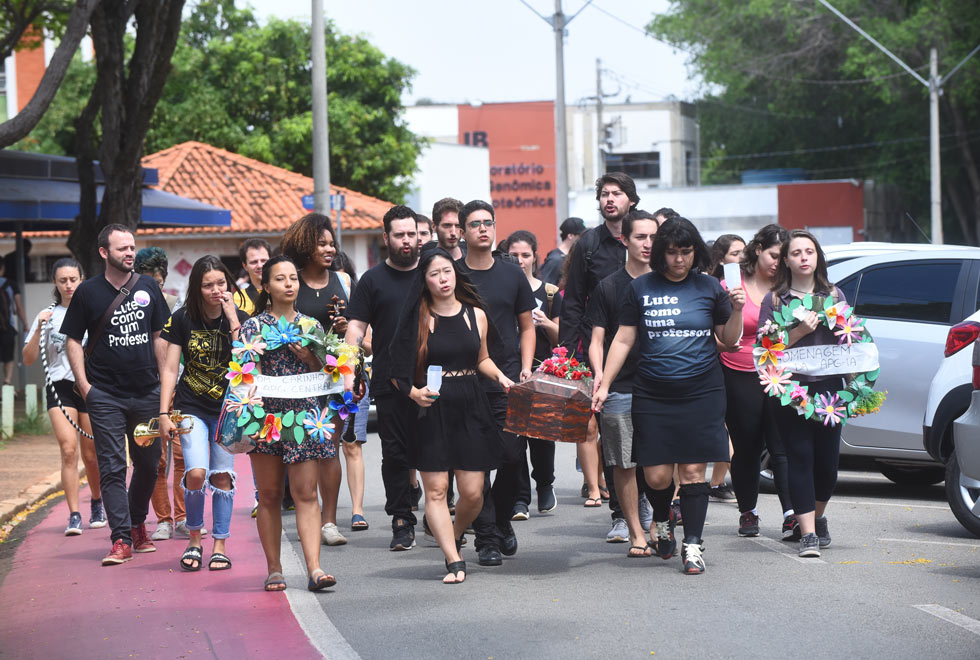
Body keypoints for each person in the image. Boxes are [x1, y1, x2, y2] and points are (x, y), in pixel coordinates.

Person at [593, 217, 744, 575]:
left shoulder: (709, 288)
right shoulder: (641, 287)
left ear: (696, 252)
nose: (679, 260)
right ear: (661, 253)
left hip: (702, 390)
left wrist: (736, 309)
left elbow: (731, 338)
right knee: (657, 476)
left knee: (693, 470)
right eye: (672, 253)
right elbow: (624, 339)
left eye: (686, 252)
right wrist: (604, 384)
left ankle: (693, 544)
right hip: (653, 392)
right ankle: (662, 517)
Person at [389, 249, 513, 583]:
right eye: (434, 274)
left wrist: (501, 377)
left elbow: (483, 357)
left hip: (472, 402)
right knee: (437, 490)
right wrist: (413, 393)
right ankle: (454, 560)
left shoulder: (476, 315)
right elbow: (396, 367)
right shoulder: (419, 316)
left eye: (447, 271)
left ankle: (454, 535)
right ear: (424, 281)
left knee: (473, 493)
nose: (443, 279)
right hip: (432, 407)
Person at [62, 224, 170, 565]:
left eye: (132, 247)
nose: (130, 253)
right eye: (122, 248)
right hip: (105, 394)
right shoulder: (87, 292)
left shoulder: (149, 286)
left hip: (147, 392)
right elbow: (73, 339)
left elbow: (159, 338)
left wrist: (165, 389)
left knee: (150, 465)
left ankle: (138, 522)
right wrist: (84, 386)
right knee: (111, 466)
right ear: (104, 253)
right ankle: (121, 538)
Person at [241, 255, 337, 591]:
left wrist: (309, 356)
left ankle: (315, 569)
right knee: (268, 495)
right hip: (266, 418)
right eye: (280, 279)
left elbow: (329, 376)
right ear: (265, 286)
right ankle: (274, 569)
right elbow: (244, 374)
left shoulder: (312, 326)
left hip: (304, 418)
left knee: (306, 494)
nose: (289, 284)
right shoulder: (252, 327)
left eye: (293, 278)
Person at [758, 230, 847, 558]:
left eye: (809, 251)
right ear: (787, 260)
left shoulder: (834, 295)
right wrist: (798, 331)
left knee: (827, 466)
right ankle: (807, 533)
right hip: (789, 391)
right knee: (800, 457)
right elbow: (764, 353)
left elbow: (849, 342)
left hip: (829, 391)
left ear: (818, 256)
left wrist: (858, 387)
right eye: (796, 253)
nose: (804, 257)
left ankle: (818, 517)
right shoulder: (776, 300)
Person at [457, 200, 535, 567]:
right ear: (462, 232)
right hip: (465, 383)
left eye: (488, 223)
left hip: (507, 379)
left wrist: (525, 366)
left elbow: (527, 324)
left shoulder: (511, 273)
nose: (483, 229)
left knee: (511, 457)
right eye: (475, 224)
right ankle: (486, 538)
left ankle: (502, 520)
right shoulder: (452, 274)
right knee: (475, 463)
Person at [158, 256, 248, 571]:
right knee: (196, 473)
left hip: (229, 410)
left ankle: (220, 545)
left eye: (220, 283)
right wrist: (163, 412)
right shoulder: (182, 319)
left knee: (222, 477)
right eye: (207, 285)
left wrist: (233, 318)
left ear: (229, 285)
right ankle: (195, 539)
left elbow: (246, 365)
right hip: (190, 406)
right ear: (196, 288)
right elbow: (170, 368)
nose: (215, 290)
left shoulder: (240, 318)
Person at [558, 173, 637, 534]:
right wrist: (567, 354)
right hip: (599, 351)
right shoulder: (589, 243)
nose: (610, 199)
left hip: (650, 352)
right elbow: (573, 302)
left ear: (631, 200)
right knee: (610, 433)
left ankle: (654, 509)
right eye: (604, 194)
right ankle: (620, 514)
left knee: (649, 434)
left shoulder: (647, 234)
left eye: (617, 194)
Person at [345, 205, 421, 551]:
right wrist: (348, 367)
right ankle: (402, 519)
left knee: (440, 448)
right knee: (395, 453)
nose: (407, 241)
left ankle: (440, 509)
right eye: (400, 235)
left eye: (412, 234)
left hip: (436, 377)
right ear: (386, 237)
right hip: (390, 381)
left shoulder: (436, 273)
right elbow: (356, 328)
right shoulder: (372, 280)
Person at [587, 211, 663, 556]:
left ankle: (657, 522)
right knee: (623, 462)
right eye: (640, 237)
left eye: (653, 237)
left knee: (663, 461)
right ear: (625, 241)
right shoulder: (608, 286)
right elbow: (598, 339)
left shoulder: (667, 282)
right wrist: (600, 377)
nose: (648, 244)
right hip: (621, 387)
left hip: (664, 385)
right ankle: (635, 531)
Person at [281, 213, 354, 545]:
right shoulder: (291, 280)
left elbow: (356, 326)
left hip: (333, 375)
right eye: (322, 243)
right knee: (302, 448)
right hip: (297, 377)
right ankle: (306, 512)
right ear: (306, 245)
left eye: (332, 243)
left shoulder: (344, 280)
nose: (330, 248)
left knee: (330, 448)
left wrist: (345, 329)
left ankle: (329, 522)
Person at [720, 225, 796, 539]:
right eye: (773, 255)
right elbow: (719, 330)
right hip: (739, 373)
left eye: (784, 257)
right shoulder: (731, 283)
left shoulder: (791, 288)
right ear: (758, 249)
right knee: (748, 446)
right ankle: (747, 511)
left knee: (782, 447)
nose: (778, 263)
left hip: (780, 374)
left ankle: (792, 513)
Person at [22, 258, 105, 535]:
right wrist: (37, 330)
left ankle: (96, 501)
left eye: (73, 279)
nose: (69, 285)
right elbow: (29, 359)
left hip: (91, 386)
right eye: (63, 281)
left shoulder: (95, 311)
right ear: (55, 284)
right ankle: (73, 514)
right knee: (69, 450)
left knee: (91, 454)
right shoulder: (48, 315)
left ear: (82, 278)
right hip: (59, 386)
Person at [502, 230, 560, 519]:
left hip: (543, 373)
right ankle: (520, 498)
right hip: (509, 371)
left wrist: (545, 322)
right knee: (515, 437)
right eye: (514, 255)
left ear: (535, 256)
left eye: (526, 255)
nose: (520, 261)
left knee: (541, 435)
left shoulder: (549, 292)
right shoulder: (500, 290)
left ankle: (545, 483)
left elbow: (563, 336)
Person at [705, 234, 746, 504]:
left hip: (746, 363)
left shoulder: (748, 286)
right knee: (724, 426)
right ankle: (742, 484)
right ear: (721, 259)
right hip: (721, 365)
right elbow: (712, 333)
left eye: (744, 252)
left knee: (729, 425)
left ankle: (717, 482)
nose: (741, 258)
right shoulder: (718, 287)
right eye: (735, 253)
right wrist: (724, 344)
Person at [0, 259, 28, 387]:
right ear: (3, 268)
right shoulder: (11, 285)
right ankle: (7, 381)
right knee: (8, 357)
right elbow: (19, 307)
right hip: (7, 328)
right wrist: (26, 324)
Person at [539, 217, 585, 286]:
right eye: (580, 236)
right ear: (570, 236)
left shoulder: (568, 256)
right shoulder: (556, 260)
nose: (584, 238)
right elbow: (545, 288)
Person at [234, 238, 272, 315]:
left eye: (264, 260)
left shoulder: (282, 291)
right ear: (245, 266)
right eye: (254, 262)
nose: (260, 265)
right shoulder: (239, 297)